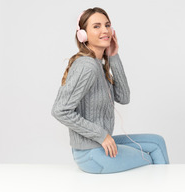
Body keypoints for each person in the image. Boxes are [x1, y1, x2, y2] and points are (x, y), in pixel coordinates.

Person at [51, 7, 170, 174]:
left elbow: (124, 97)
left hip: (98, 147)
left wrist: (113, 56)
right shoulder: (87, 66)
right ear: (83, 35)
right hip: (90, 154)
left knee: (157, 142)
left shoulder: (98, 65)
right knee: (150, 158)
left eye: (107, 25)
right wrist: (102, 135)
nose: (105, 30)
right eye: (97, 26)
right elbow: (60, 110)